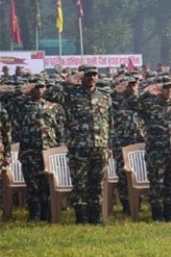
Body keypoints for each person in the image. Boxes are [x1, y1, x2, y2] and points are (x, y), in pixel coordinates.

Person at [45, 65, 112, 224]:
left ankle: (95, 217)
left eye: (94, 75)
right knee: (80, 183)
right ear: (82, 77)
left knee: (96, 183)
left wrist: (109, 146)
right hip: (78, 147)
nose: (91, 78)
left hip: (100, 147)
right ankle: (81, 217)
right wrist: (67, 82)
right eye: (88, 75)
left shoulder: (104, 96)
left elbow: (109, 122)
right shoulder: (70, 94)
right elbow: (48, 95)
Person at [124, 76, 171, 222]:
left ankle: (170, 213)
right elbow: (129, 104)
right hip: (157, 150)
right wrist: (145, 92)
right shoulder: (149, 105)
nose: (169, 90)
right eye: (165, 87)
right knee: (157, 183)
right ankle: (157, 214)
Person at [16, 78, 65, 221]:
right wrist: (21, 91)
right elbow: (6, 100)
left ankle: (46, 212)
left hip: (48, 150)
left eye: (42, 87)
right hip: (29, 150)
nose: (39, 90)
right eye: (36, 87)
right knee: (32, 183)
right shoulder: (22, 106)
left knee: (47, 183)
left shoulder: (55, 107)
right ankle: (33, 213)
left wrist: (60, 149)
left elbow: (60, 129)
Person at [111, 74, 145, 214]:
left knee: (139, 172)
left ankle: (138, 202)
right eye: (128, 85)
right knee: (123, 174)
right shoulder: (114, 101)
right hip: (121, 142)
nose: (131, 87)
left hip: (139, 141)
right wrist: (115, 91)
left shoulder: (141, 101)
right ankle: (126, 204)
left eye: (134, 84)